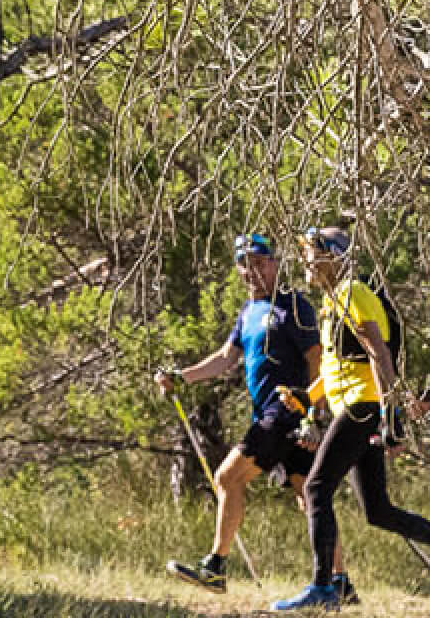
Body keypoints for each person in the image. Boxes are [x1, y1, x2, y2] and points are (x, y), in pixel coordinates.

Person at [273, 228, 430, 611]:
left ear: (335, 256)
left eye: (312, 253)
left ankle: (324, 587)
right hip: (354, 405)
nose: (306, 263)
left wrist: (391, 417)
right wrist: (306, 397)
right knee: (378, 511)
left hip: (361, 407)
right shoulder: (335, 300)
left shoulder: (352, 294)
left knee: (316, 487)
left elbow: (380, 355)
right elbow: (340, 365)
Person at [156, 234, 323, 595]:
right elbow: (225, 359)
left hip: (287, 413)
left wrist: (314, 413)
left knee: (227, 478)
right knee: (308, 496)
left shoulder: (293, 305)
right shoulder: (249, 313)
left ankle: (216, 566)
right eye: (245, 264)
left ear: (275, 263)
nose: (253, 271)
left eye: (260, 262)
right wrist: (181, 377)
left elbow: (315, 358)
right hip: (268, 413)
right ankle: (338, 580)